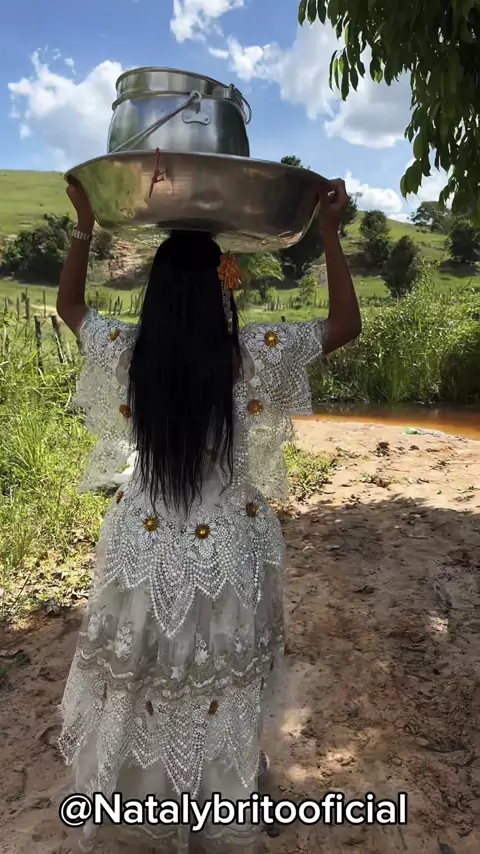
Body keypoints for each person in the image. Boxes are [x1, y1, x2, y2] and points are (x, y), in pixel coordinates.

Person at [57, 178, 361, 854]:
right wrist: (329, 233)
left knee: (142, 678)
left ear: (156, 294)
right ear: (222, 290)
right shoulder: (252, 354)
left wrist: (85, 224)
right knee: (219, 684)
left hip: (141, 545)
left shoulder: (127, 351)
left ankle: (139, 807)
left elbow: (69, 305)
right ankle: (216, 803)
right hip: (226, 551)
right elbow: (345, 326)